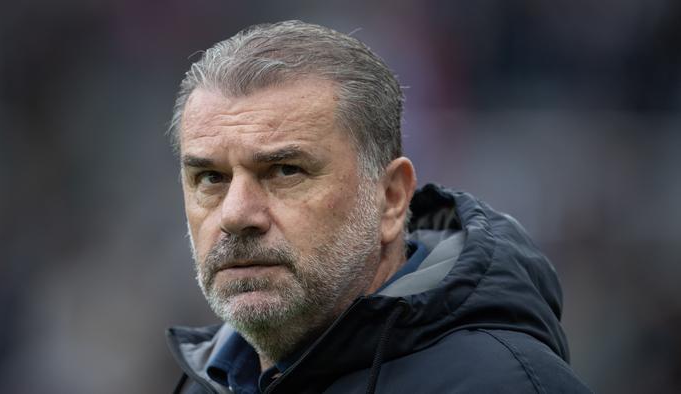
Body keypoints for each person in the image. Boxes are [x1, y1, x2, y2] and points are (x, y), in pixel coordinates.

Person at [165, 20, 592, 394]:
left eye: (285, 170)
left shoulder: (506, 385)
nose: (236, 214)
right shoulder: (204, 380)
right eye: (211, 178)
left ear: (390, 198)